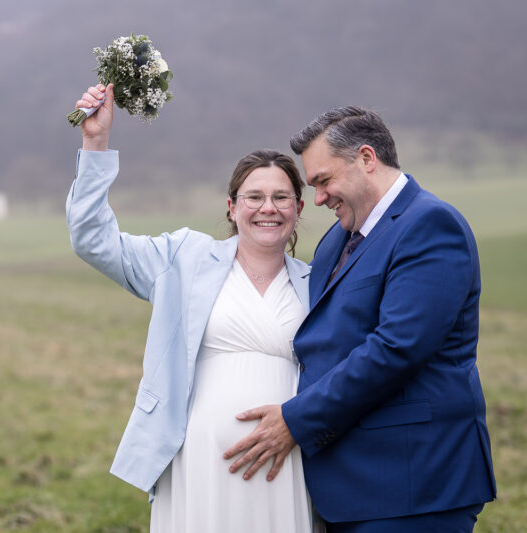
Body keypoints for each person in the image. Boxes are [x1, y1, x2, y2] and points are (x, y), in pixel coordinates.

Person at [223, 106, 497, 532]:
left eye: (324, 181)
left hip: (413, 486)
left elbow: (397, 348)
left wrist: (295, 419)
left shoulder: (430, 225)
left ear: (367, 159)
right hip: (349, 488)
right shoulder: (336, 240)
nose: (317, 199)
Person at [66, 83, 318, 532]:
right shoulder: (183, 258)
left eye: (281, 197)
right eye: (254, 197)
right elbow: (92, 240)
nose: (268, 208)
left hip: (289, 458)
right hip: (197, 459)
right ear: (231, 207)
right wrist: (95, 142)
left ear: (298, 208)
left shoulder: (318, 283)